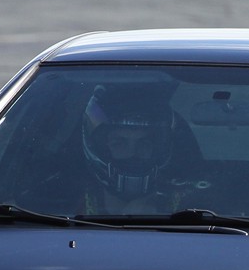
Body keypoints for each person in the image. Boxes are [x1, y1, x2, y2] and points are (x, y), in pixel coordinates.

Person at [73, 84, 190, 215]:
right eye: (119, 143)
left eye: (144, 143)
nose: (132, 153)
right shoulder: (57, 206)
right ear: (100, 148)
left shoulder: (193, 210)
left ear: (158, 149)